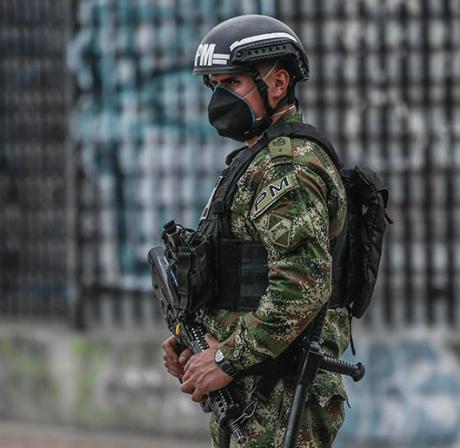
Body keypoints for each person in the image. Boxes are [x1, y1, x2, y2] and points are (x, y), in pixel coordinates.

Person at [160, 15, 350, 447]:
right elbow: (245, 277)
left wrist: (225, 357)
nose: (220, 97)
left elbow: (301, 285)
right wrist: (193, 343)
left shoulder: (289, 166)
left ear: (277, 83)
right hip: (253, 390)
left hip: (283, 396)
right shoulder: (257, 161)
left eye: (233, 82)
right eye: (216, 85)